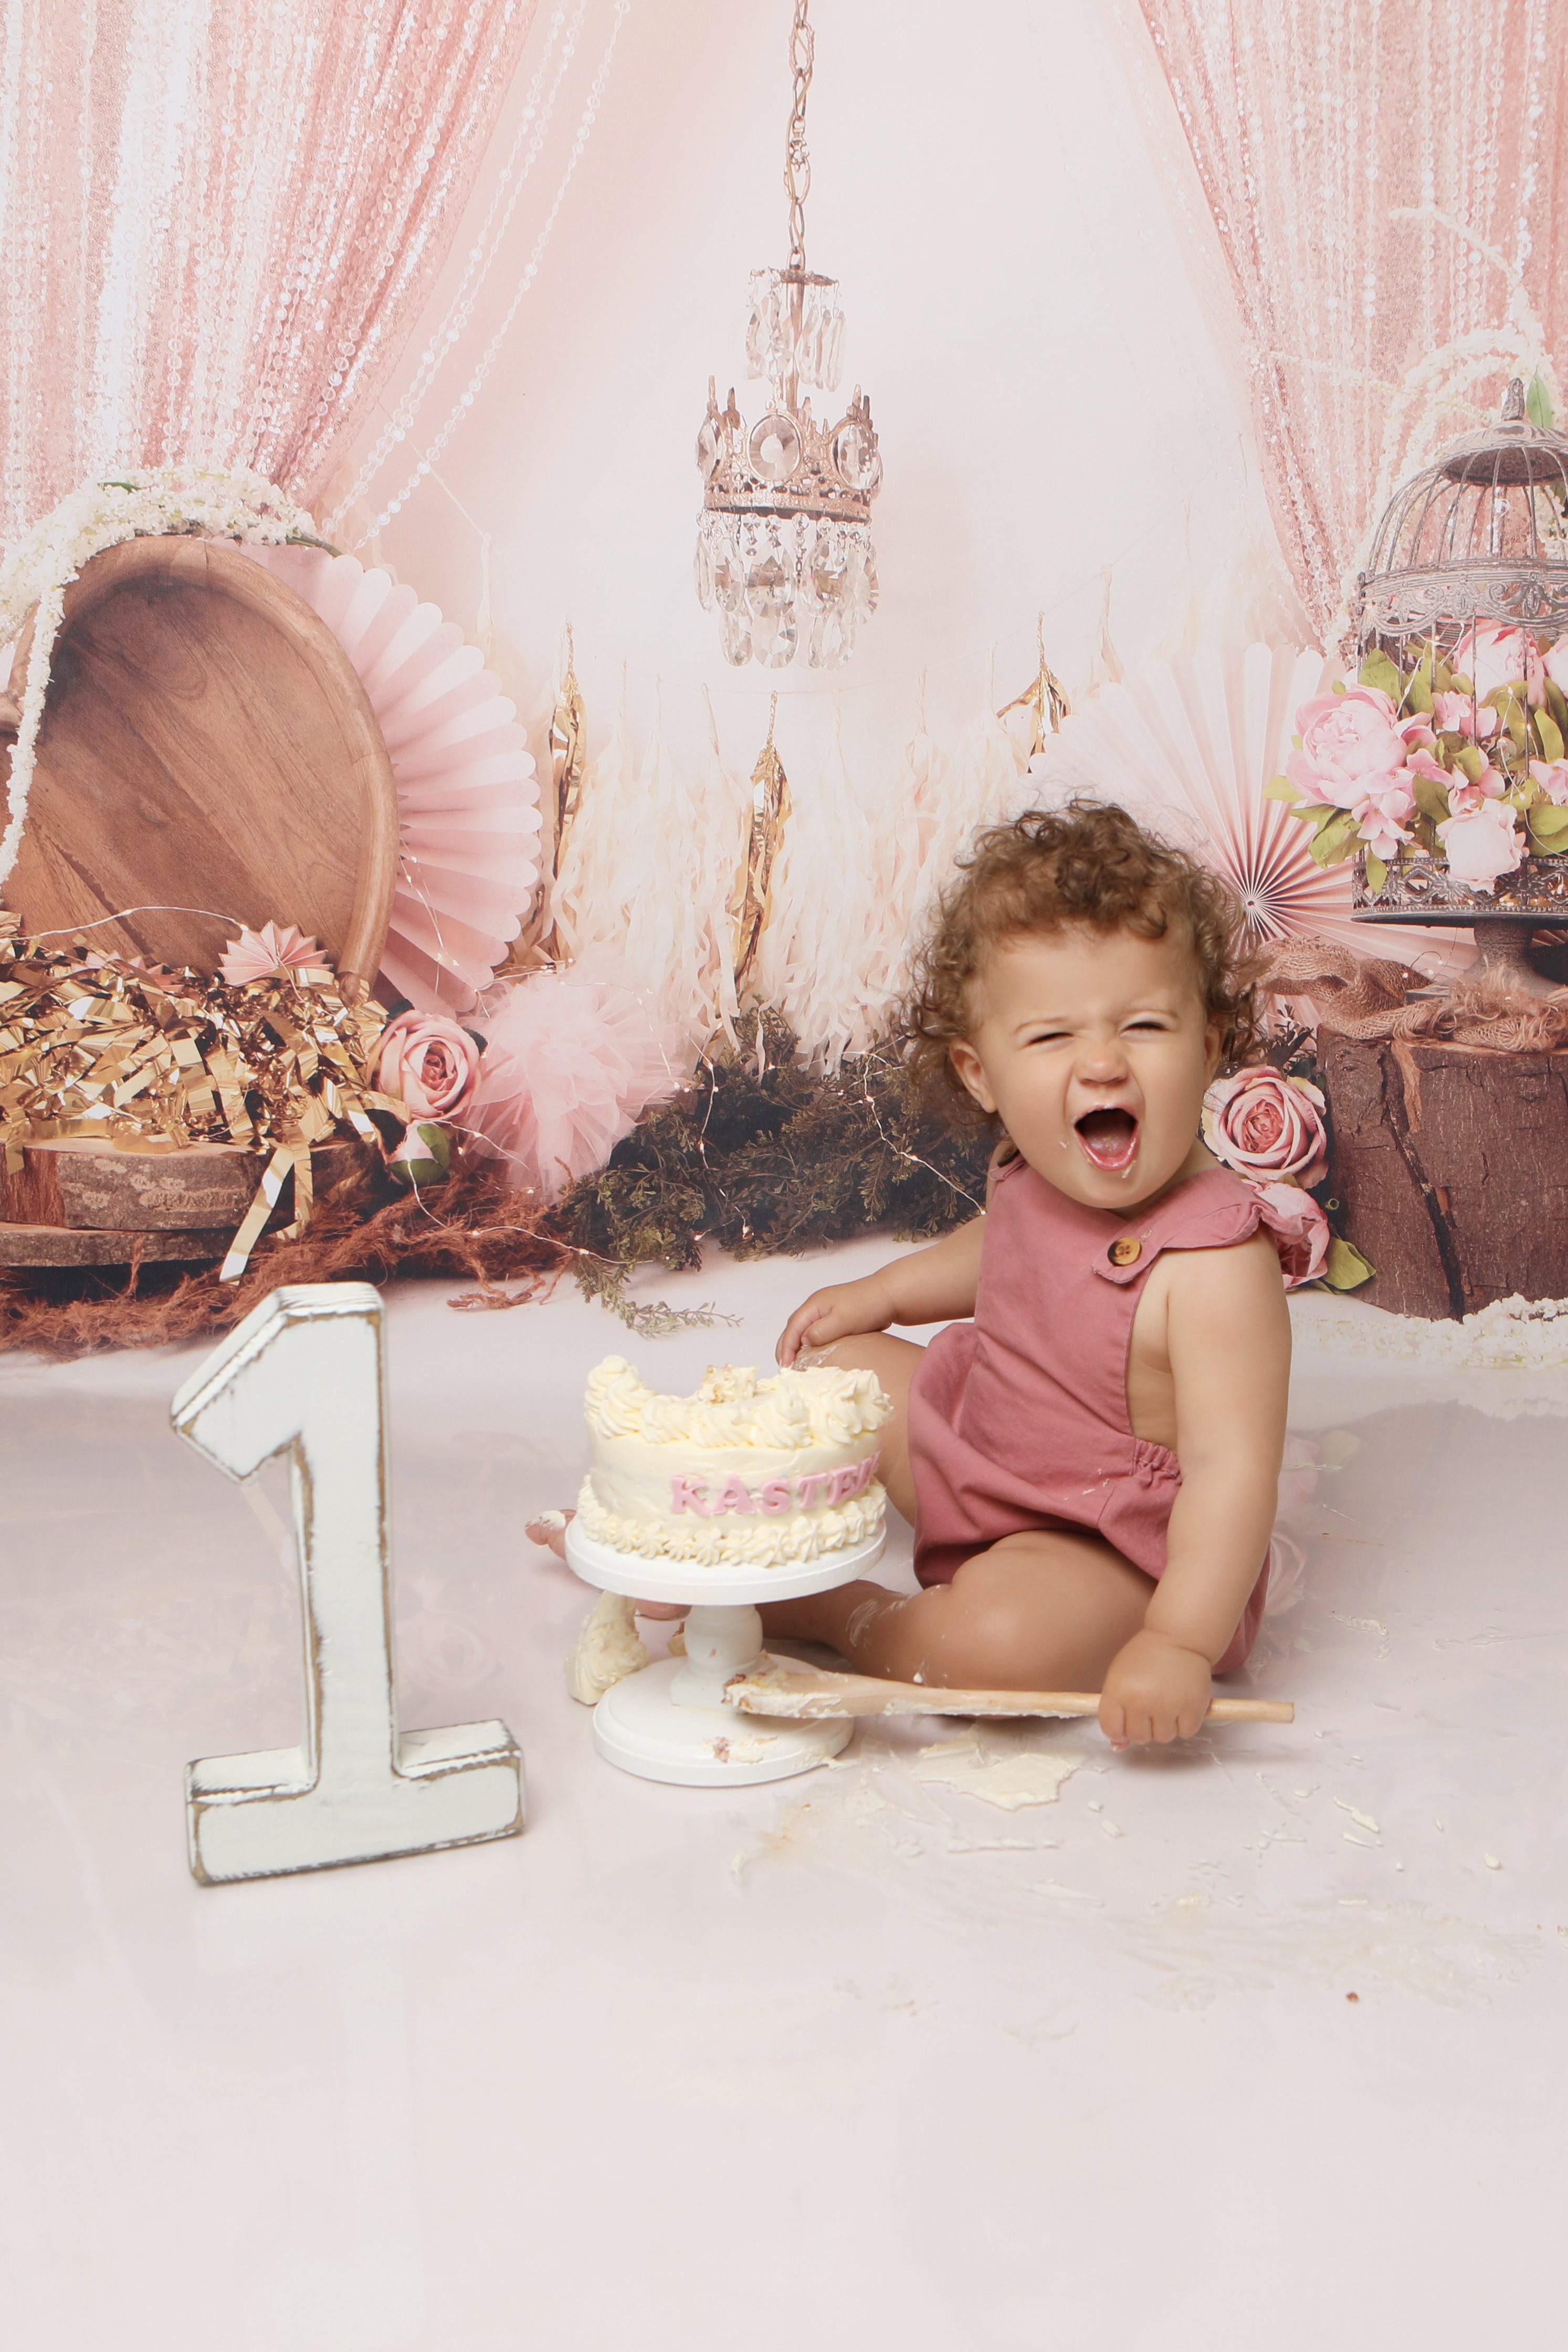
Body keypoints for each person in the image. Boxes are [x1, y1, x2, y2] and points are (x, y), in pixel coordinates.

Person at [762, 799, 1297, 1747]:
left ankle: (835, 1614)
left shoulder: (1218, 1264)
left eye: (1142, 1026)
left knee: (992, 1649)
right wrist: (883, 1298)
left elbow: (1233, 1471)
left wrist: (1177, 1639)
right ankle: (749, 1542)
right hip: (984, 1452)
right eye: (1052, 1039)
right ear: (981, 1074)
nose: (1101, 1064)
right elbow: (1002, 1248)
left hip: (1108, 1548)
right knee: (831, 1370)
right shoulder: (1037, 1168)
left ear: (1210, 1046)